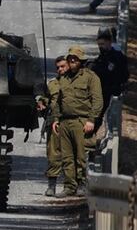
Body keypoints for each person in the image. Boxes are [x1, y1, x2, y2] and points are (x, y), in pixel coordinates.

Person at [51, 46, 103, 198]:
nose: (72, 61)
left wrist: (91, 120)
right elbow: (59, 100)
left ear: (81, 61)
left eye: (75, 59)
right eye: (70, 59)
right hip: (65, 122)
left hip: (82, 121)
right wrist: (56, 119)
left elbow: (97, 100)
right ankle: (69, 186)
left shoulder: (90, 77)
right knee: (66, 157)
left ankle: (81, 184)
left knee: (81, 156)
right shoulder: (64, 78)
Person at [37, 56, 68, 197]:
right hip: (54, 122)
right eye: (58, 67)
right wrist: (42, 102)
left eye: (63, 66)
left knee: (72, 155)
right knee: (53, 155)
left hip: (71, 121)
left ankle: (73, 186)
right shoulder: (53, 84)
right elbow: (48, 99)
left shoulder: (76, 82)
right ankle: (52, 185)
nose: (60, 69)